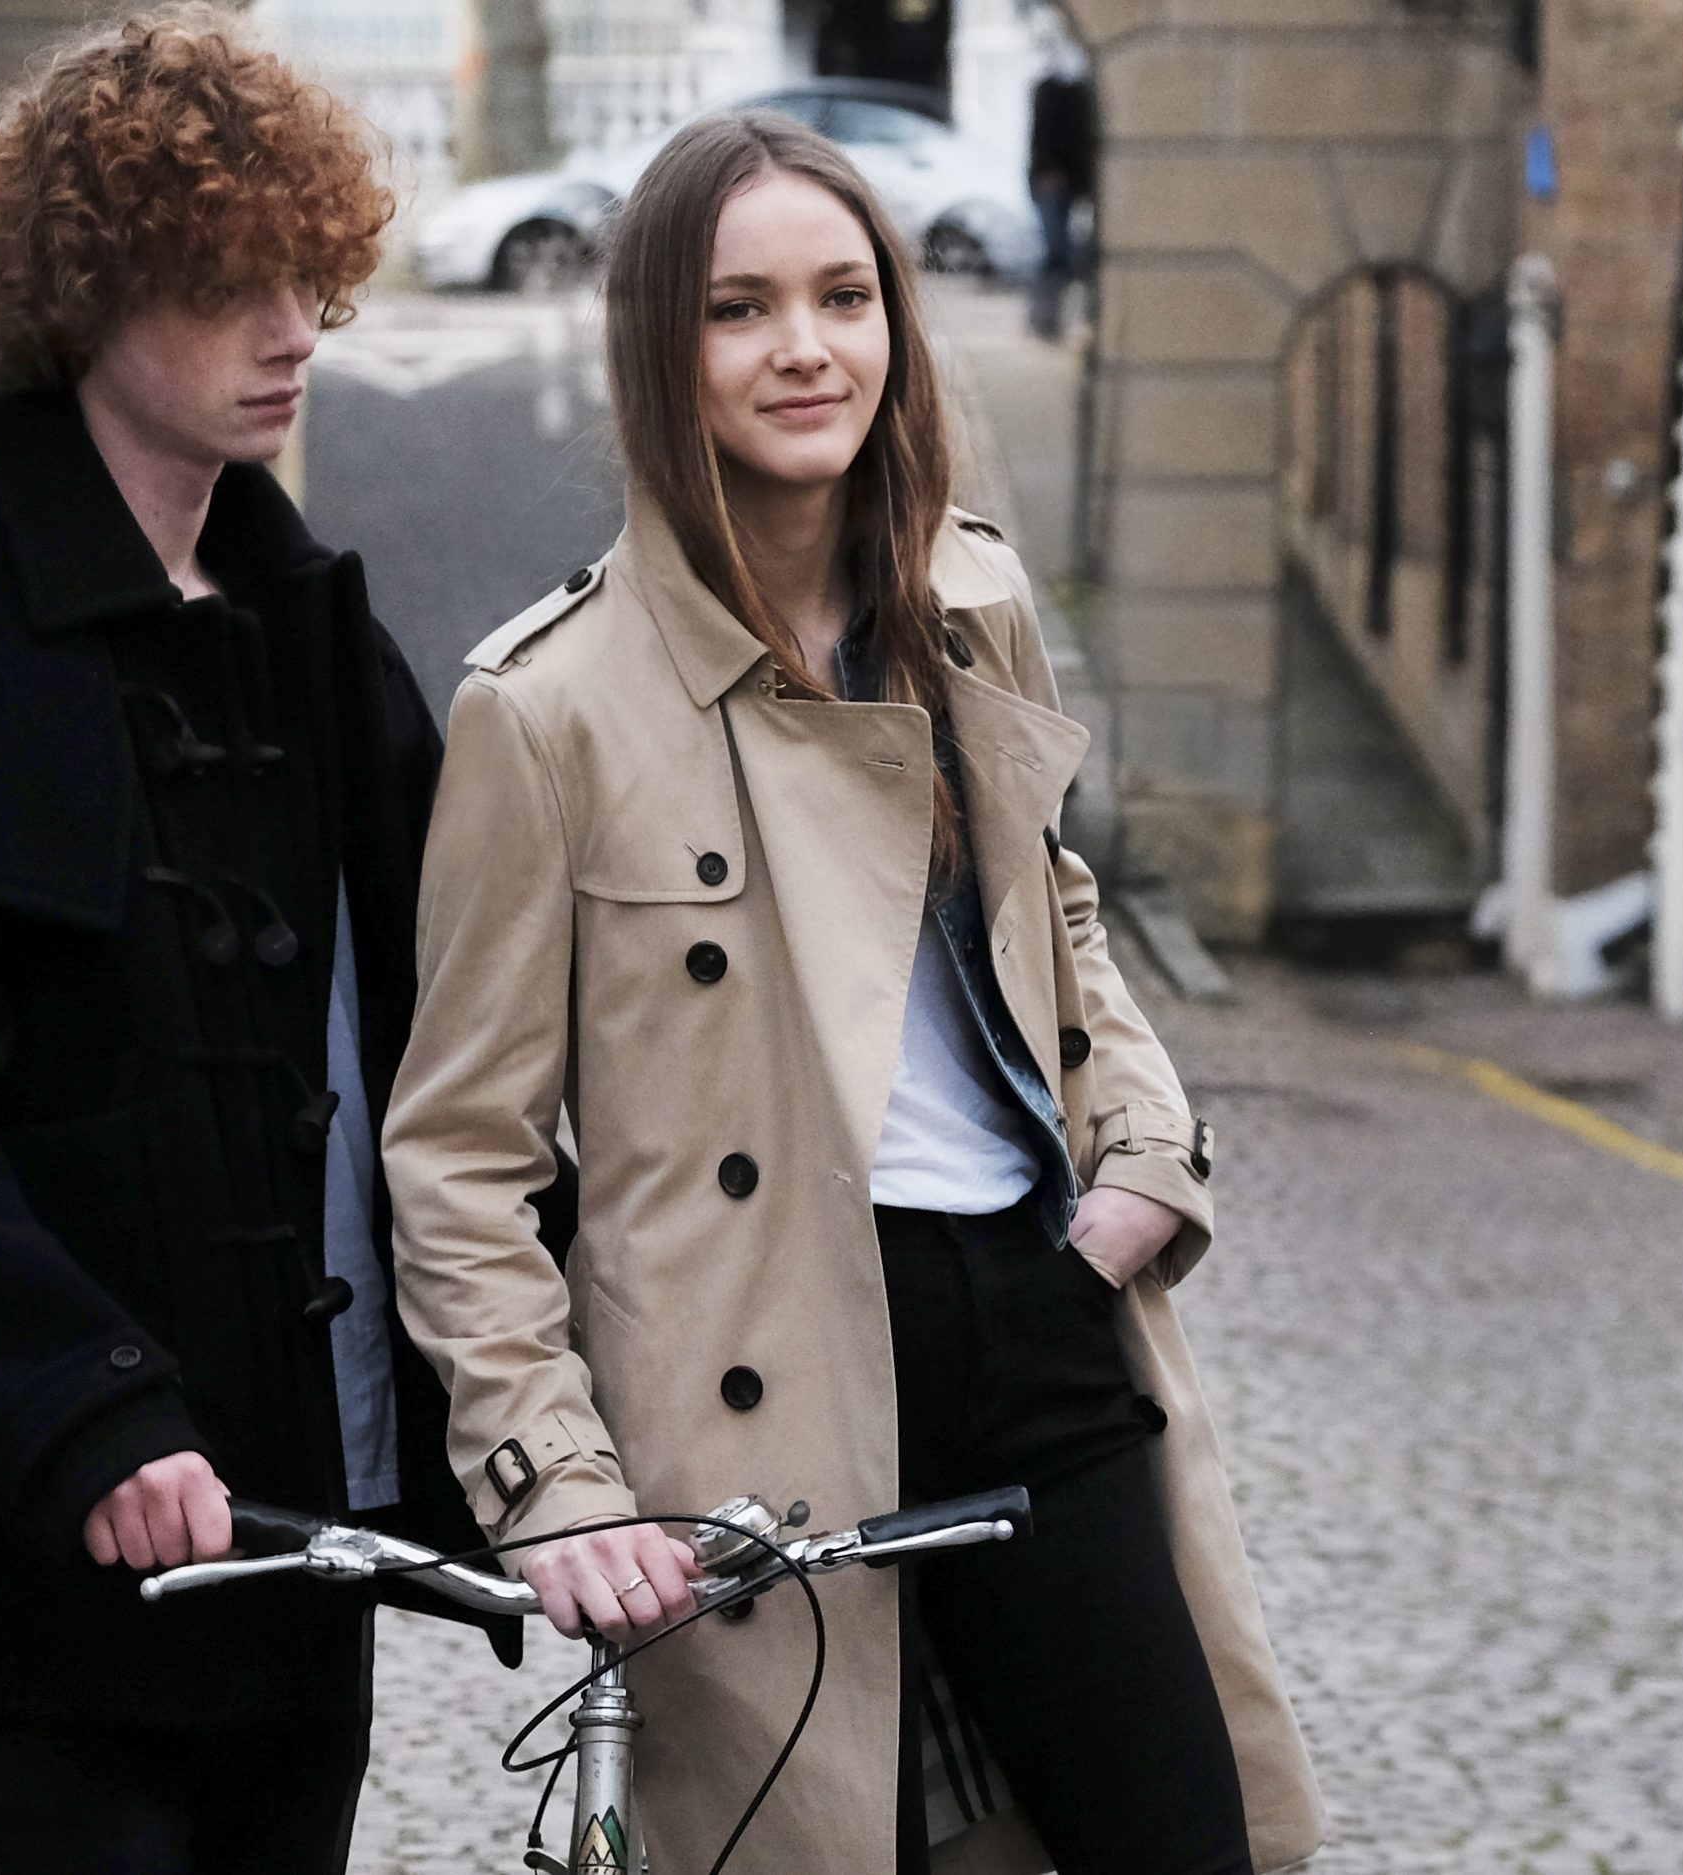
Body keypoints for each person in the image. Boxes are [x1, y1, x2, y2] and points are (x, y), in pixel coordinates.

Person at [380, 111, 1324, 1875]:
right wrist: (557, 1483)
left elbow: (1062, 925)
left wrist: (1135, 1169)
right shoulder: (548, 706)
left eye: (841, 295)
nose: (803, 349)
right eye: (739, 309)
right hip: (755, 1379)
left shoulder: (971, 603)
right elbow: (459, 1161)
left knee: (1177, 1837)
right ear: (661, 349)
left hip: (1032, 1313)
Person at [0, 11, 523, 1871]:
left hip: (308, 1523)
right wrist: (80, 1414)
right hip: (75, 1543)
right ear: (84, 290)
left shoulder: (311, 632)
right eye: (232, 282)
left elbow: (466, 1026)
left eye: (308, 274)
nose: (294, 327)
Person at [1026, 58, 1097, 340]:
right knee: (1055, 254)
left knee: (1075, 256)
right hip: (1052, 181)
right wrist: (1048, 170)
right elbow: (1041, 134)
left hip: (1078, 180)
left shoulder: (1082, 89)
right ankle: (1044, 320)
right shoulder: (1050, 89)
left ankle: (1057, 319)